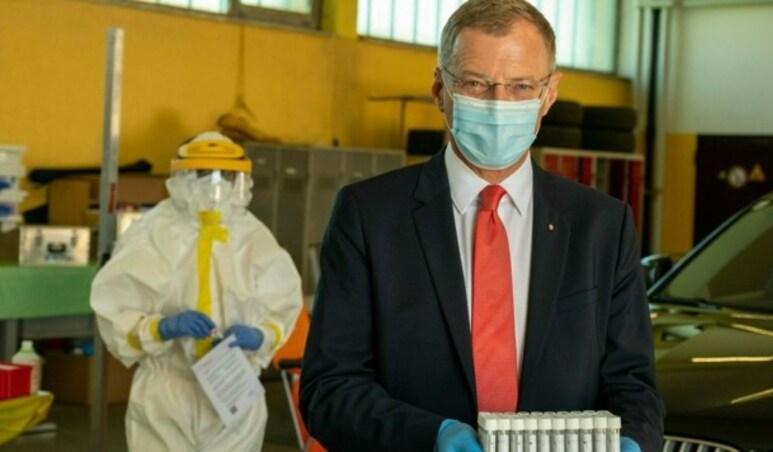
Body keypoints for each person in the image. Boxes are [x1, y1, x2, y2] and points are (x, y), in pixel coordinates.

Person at [299, 0, 664, 450]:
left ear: (549, 93)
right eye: (476, 83)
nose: (498, 104)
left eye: (520, 85)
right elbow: (328, 390)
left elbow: (634, 386)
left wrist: (633, 441)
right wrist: (431, 437)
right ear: (439, 89)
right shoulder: (370, 216)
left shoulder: (602, 226)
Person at [91, 131, 302, 451]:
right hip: (167, 392)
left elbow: (283, 305)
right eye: (204, 174)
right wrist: (159, 327)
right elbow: (113, 305)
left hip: (233, 386)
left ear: (240, 179)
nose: (214, 185)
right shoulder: (152, 232)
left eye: (225, 175)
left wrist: (259, 336)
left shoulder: (252, 236)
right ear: (182, 176)